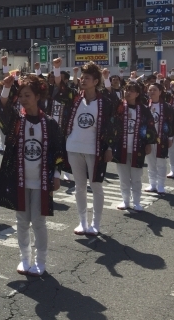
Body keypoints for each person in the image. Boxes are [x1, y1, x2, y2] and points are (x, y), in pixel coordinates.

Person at [0, 74, 64, 276]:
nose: (23, 99)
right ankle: (25, 258)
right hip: (19, 178)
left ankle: (41, 260)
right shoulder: (17, 120)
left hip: (41, 179)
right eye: (21, 95)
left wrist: (56, 175)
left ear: (37, 96)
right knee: (22, 221)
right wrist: (6, 88)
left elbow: (58, 149)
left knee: (39, 221)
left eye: (27, 95)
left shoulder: (49, 123)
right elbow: (1, 112)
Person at [60, 63, 114, 236]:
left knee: (96, 186)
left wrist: (110, 147)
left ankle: (95, 223)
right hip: (73, 146)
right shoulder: (74, 98)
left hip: (95, 149)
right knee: (79, 186)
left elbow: (113, 125)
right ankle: (82, 222)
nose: (83, 80)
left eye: (87, 78)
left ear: (95, 81)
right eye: (82, 77)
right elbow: (56, 89)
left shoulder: (104, 102)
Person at [109, 82, 158, 211]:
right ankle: (125, 201)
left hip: (138, 148)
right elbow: (108, 94)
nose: (128, 93)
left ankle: (137, 201)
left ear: (137, 94)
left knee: (136, 177)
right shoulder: (118, 107)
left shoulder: (143, 109)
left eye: (131, 91)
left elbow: (150, 126)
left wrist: (149, 142)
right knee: (123, 177)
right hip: (120, 148)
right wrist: (107, 79)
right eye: (126, 90)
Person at [145, 83, 174, 195]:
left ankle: (161, 185)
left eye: (154, 90)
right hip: (148, 139)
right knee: (150, 162)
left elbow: (172, 123)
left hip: (162, 138)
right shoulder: (145, 106)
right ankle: (152, 184)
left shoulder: (167, 107)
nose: (152, 92)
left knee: (161, 162)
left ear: (160, 92)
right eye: (150, 90)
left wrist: (170, 137)